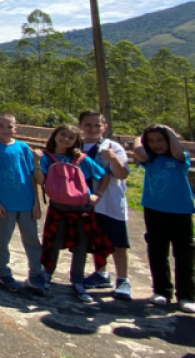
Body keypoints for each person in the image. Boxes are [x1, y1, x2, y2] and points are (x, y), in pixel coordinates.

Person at [39, 124, 112, 304]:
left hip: (81, 209)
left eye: (71, 138)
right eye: (63, 135)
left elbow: (104, 175)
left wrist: (97, 195)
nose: (66, 139)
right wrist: (35, 161)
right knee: (52, 243)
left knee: (81, 246)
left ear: (76, 142)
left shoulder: (81, 159)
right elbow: (40, 180)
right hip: (58, 207)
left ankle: (77, 281)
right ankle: (47, 274)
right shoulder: (46, 157)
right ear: (55, 135)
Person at [132, 125, 195, 312]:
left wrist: (168, 131)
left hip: (180, 211)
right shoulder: (150, 160)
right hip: (154, 210)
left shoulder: (179, 160)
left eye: (160, 140)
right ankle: (162, 291)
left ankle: (186, 295)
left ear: (169, 140)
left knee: (184, 254)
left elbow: (177, 149)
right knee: (157, 252)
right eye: (151, 141)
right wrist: (141, 135)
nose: (156, 144)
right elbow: (137, 149)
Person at [0, 113, 45, 294]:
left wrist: (36, 203)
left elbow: (32, 176)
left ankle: (36, 273)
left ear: (15, 129)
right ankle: (3, 271)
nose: (6, 130)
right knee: (3, 241)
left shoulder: (23, 148)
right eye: (1, 126)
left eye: (9, 127)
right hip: (4, 203)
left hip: (26, 202)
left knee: (32, 240)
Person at [79, 110, 133, 301]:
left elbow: (121, 174)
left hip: (110, 202)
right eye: (88, 125)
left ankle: (123, 279)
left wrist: (111, 158)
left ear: (104, 127)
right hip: (87, 202)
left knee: (118, 243)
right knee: (95, 240)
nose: (92, 129)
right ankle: (101, 273)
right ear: (81, 126)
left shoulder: (112, 147)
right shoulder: (77, 146)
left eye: (97, 125)